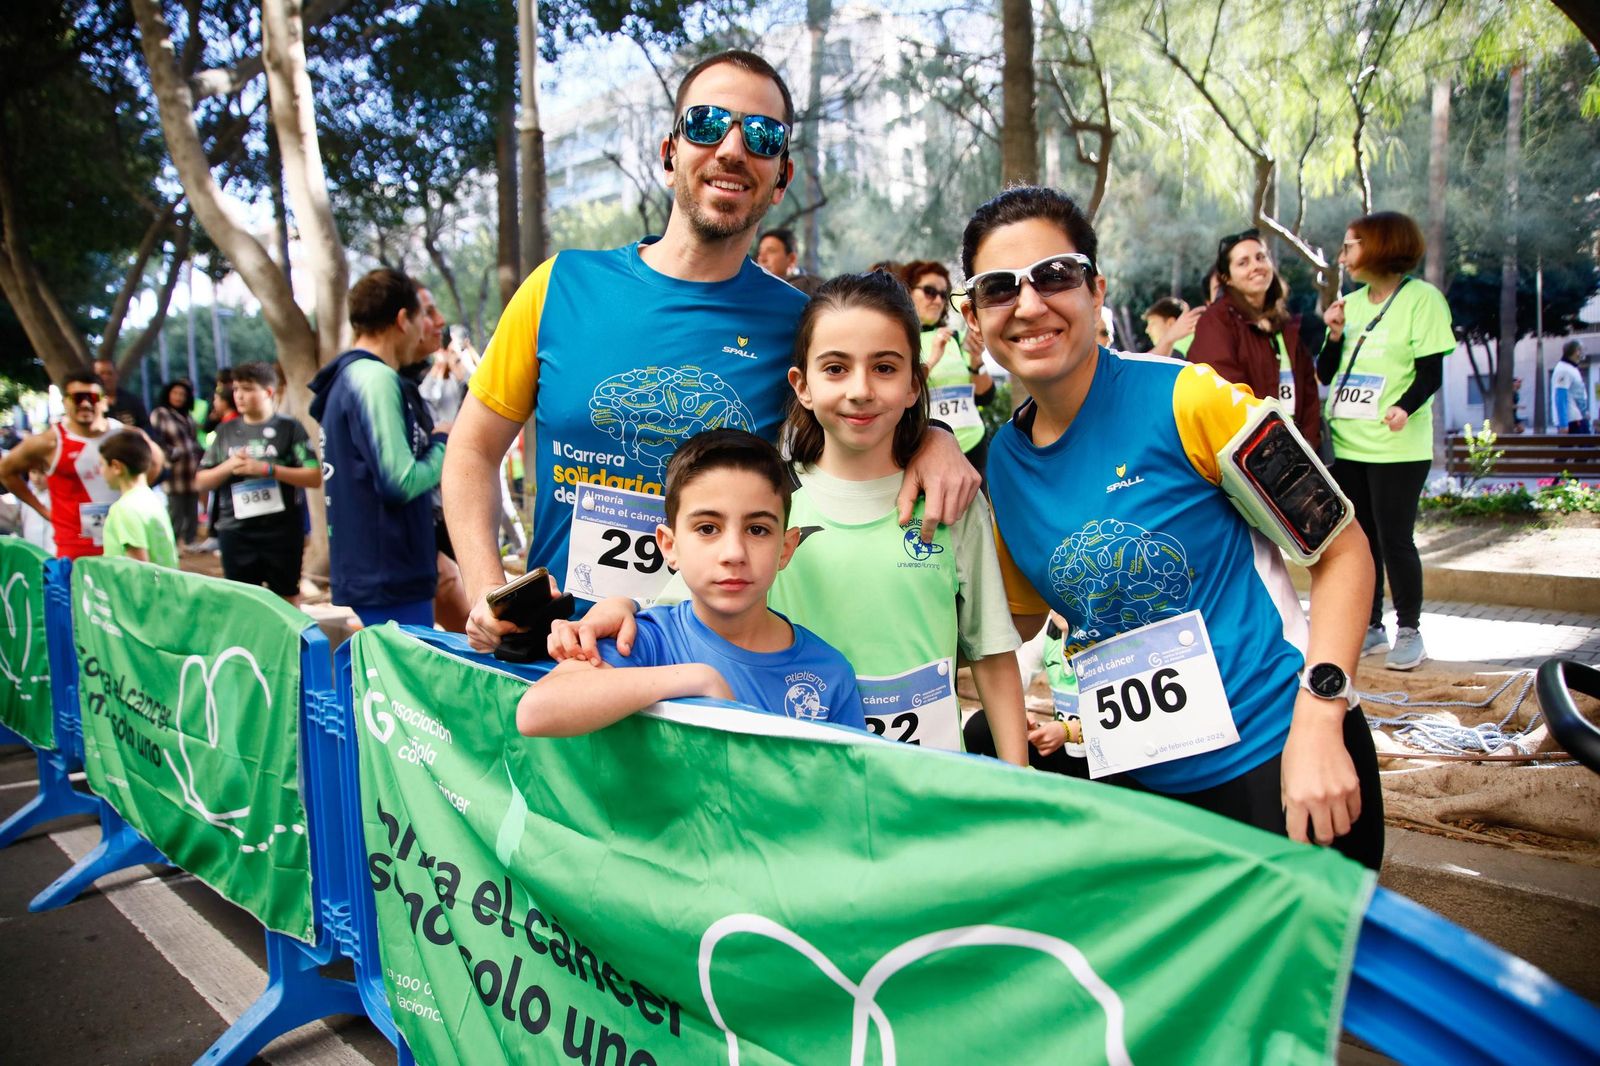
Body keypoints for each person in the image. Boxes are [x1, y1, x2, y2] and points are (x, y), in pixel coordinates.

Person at [444, 49, 978, 653]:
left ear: (781, 178)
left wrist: (930, 433)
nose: (731, 149)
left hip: (720, 674)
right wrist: (485, 590)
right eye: (705, 124)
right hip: (557, 655)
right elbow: (472, 448)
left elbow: (861, 413)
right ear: (670, 152)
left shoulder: (800, 325)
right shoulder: (559, 287)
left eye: (761, 135)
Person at [961, 186, 1383, 869]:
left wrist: (1322, 716)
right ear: (974, 320)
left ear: (1097, 291)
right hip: (1136, 786)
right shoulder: (1005, 463)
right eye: (999, 288)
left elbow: (1345, 552)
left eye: (1056, 275)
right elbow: (1011, 627)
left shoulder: (1192, 398)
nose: (1030, 303)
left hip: (1277, 756)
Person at [557, 274, 1027, 763]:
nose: (861, 390)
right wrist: (624, 607)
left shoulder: (953, 501)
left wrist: (1022, 789)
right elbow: (686, 607)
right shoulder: (768, 504)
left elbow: (991, 653)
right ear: (802, 385)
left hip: (926, 789)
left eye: (885, 368)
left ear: (914, 384)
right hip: (796, 786)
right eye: (836, 369)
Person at [517, 429, 865, 736]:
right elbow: (537, 711)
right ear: (670, 546)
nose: (733, 553)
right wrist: (698, 678)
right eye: (707, 529)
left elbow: (848, 796)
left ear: (785, 549)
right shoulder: (643, 640)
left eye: (757, 530)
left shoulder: (829, 673)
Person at [1320, 211, 1455, 671]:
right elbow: (1325, 371)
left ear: (1378, 246)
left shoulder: (1423, 300)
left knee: (1396, 539)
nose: (1344, 255)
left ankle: (1410, 631)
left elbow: (1431, 371)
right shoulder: (1351, 304)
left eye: (1351, 245)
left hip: (1398, 449)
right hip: (1350, 444)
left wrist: (1404, 407)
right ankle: (1372, 626)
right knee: (1363, 541)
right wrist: (1334, 333)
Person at [309, 268, 450, 626]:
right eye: (422, 316)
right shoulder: (374, 379)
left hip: (373, 569)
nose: (425, 328)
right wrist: (444, 443)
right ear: (403, 319)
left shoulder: (347, 377)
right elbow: (399, 481)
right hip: (390, 575)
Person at [194, 362, 322, 605]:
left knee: (286, 599)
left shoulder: (289, 428)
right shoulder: (225, 431)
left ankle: (289, 644)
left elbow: (314, 476)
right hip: (236, 532)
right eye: (236, 389)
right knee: (244, 602)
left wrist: (268, 469)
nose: (239, 396)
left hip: (281, 532)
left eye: (248, 388)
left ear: (268, 392)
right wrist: (229, 466)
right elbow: (201, 481)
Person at [0, 369, 161, 558]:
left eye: (92, 397)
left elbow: (157, 462)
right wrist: (44, 511)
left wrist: (134, 497)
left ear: (104, 401)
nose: (85, 404)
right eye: (77, 397)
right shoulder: (49, 442)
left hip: (123, 542)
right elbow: (6, 472)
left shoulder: (127, 436)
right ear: (65, 402)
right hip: (73, 548)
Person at [1189, 229, 1321, 450]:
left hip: (1296, 452)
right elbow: (1224, 393)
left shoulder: (1285, 323)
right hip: (1251, 453)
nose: (1256, 266)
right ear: (1226, 278)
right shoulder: (1216, 322)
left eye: (1261, 257)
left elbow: (1308, 393)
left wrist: (1308, 445)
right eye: (1243, 263)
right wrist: (1266, 447)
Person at [901, 260, 997, 478]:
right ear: (908, 292)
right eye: (929, 291)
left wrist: (975, 359)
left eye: (943, 295)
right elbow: (901, 392)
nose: (937, 300)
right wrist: (933, 358)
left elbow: (985, 397)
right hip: (926, 450)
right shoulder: (900, 341)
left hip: (973, 445)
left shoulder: (956, 337)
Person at [99, 431, 178, 568]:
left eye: (102, 464)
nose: (100, 471)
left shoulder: (124, 509)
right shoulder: (153, 500)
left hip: (136, 589)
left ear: (117, 467)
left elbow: (139, 569)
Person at [149, 379, 204, 548]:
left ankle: (190, 541)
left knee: (192, 507)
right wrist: (172, 454)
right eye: (176, 393)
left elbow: (194, 440)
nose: (179, 397)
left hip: (192, 470)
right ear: (168, 394)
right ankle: (171, 544)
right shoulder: (160, 414)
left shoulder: (188, 416)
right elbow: (156, 439)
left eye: (183, 394)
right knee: (176, 509)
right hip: (174, 471)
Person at [93, 357, 151, 431]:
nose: (106, 378)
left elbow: (146, 428)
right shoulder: (89, 403)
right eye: (101, 373)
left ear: (116, 375)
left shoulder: (132, 401)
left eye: (109, 373)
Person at [1552, 341, 1590, 434]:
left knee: (1589, 447)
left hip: (1579, 418)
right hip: (1572, 421)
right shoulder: (1563, 370)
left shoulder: (1572, 368)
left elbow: (1577, 393)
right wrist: (1563, 424)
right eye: (1580, 350)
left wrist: (1585, 413)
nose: (1582, 353)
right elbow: (1560, 396)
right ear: (1576, 351)